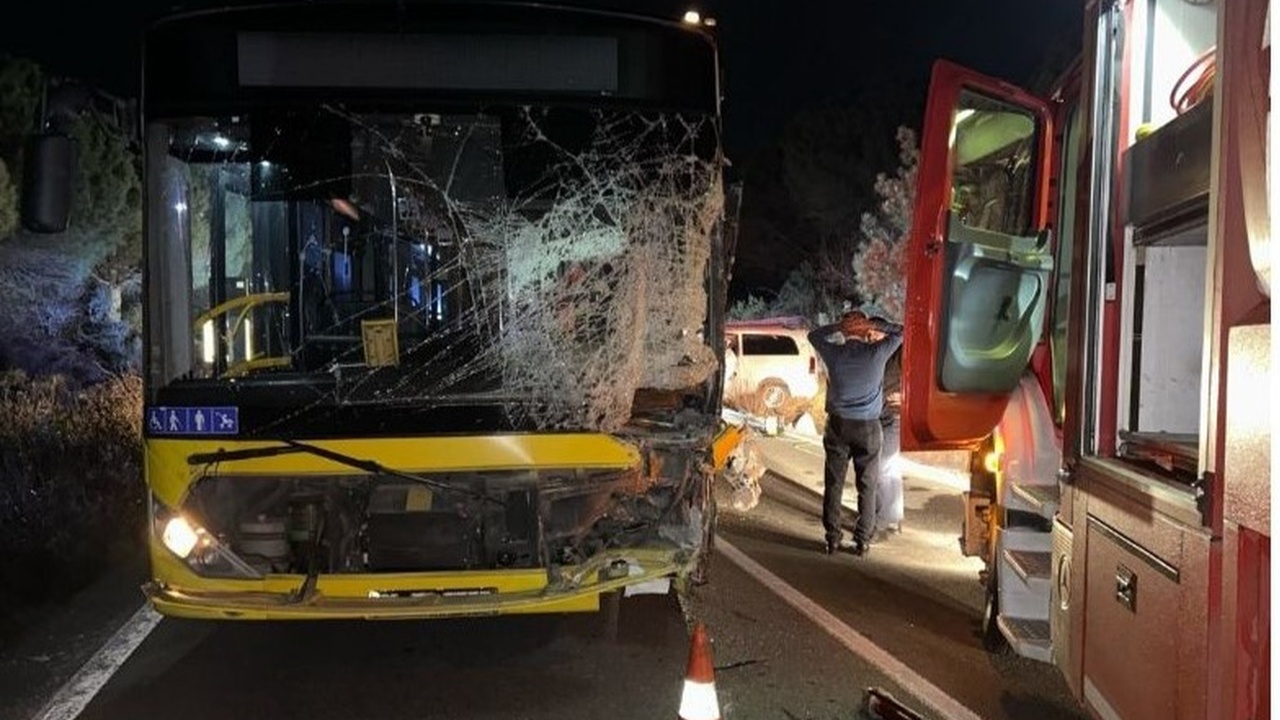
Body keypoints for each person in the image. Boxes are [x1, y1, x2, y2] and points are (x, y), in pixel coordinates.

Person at [807, 306, 903, 557]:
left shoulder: (834, 354)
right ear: (864, 331)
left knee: (834, 483)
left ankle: (832, 537)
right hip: (868, 428)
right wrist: (874, 325)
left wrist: (841, 326)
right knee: (868, 485)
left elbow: (813, 336)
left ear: (846, 332)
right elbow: (902, 333)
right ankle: (862, 540)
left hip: (838, 425)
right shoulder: (877, 353)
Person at [876, 347, 904, 537]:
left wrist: (906, 395)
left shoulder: (899, 351)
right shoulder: (873, 351)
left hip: (893, 416)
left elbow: (918, 373)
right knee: (888, 467)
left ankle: (882, 521)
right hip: (876, 415)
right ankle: (891, 516)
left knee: (883, 466)